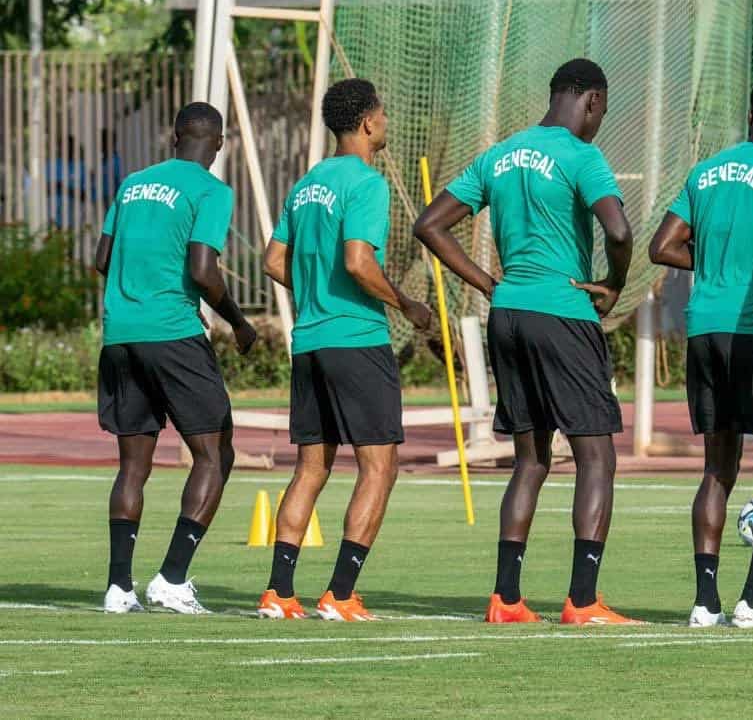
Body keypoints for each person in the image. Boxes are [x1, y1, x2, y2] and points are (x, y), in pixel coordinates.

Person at [414, 58, 638, 625]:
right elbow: (618, 230)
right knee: (596, 458)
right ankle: (583, 601)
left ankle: (506, 598)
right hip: (562, 313)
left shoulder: (499, 154)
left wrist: (489, 282)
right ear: (590, 100)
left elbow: (430, 224)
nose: (599, 123)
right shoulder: (581, 156)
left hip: (508, 314)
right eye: (602, 112)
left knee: (530, 460)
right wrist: (612, 284)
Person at [257, 78, 431, 621]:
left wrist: (314, 291)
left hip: (309, 342)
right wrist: (405, 304)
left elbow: (272, 260)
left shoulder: (307, 184)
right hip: (356, 340)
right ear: (367, 123)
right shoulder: (366, 183)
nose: (386, 121)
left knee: (312, 468)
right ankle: (340, 592)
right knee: (379, 467)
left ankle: (279, 593)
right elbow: (358, 261)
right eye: (383, 112)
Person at [649, 78, 753, 628]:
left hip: (705, 330)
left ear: (751, 117)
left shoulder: (706, 170)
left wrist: (720, 259)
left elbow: (662, 246)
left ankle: (705, 603)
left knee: (717, 470)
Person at [94, 101, 258, 615]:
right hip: (172, 334)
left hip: (120, 335)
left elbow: (102, 258)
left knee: (133, 466)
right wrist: (237, 319)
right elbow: (204, 269)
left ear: (173, 136)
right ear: (220, 144)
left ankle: (119, 588)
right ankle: (171, 578)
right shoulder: (212, 189)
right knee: (216, 451)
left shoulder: (132, 184)